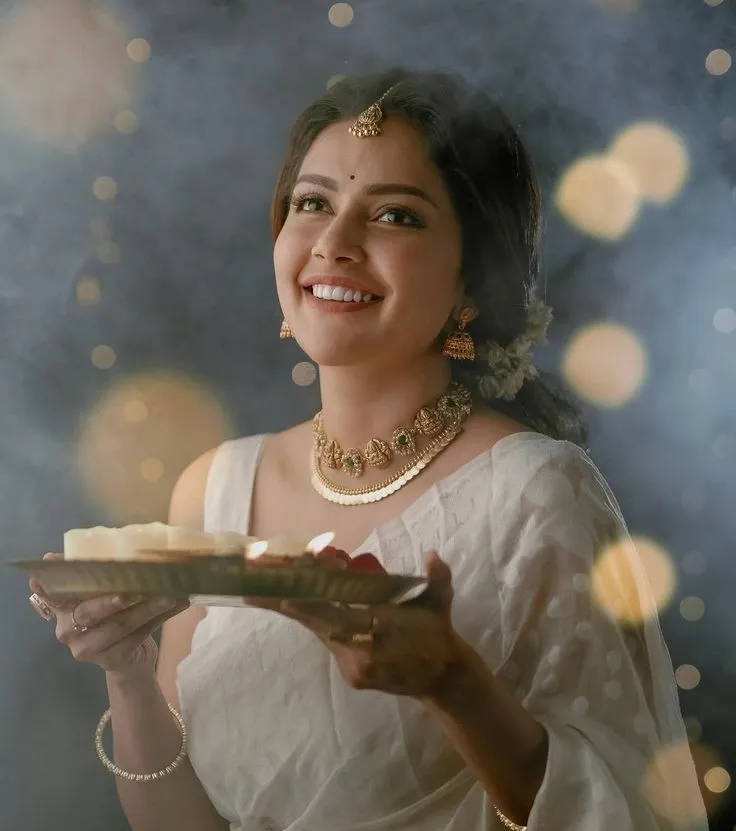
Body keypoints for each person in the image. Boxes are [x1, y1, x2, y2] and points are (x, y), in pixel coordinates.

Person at [28, 68, 708, 831]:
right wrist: (130, 675)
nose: (334, 243)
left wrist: (451, 681)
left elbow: (627, 809)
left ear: (473, 283)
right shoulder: (218, 487)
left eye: (395, 216)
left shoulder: (535, 492)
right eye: (312, 203)